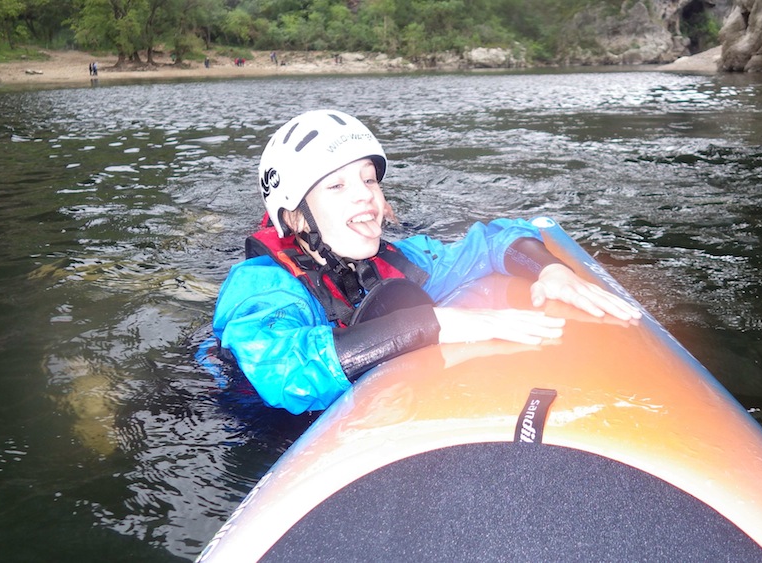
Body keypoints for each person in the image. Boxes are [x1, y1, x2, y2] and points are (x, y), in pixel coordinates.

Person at [211, 109, 641, 415]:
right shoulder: (262, 287)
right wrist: (434, 323)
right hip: (259, 424)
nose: (365, 194)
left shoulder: (403, 260)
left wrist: (551, 269)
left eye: (368, 180)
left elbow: (495, 239)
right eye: (337, 186)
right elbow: (285, 373)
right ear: (296, 215)